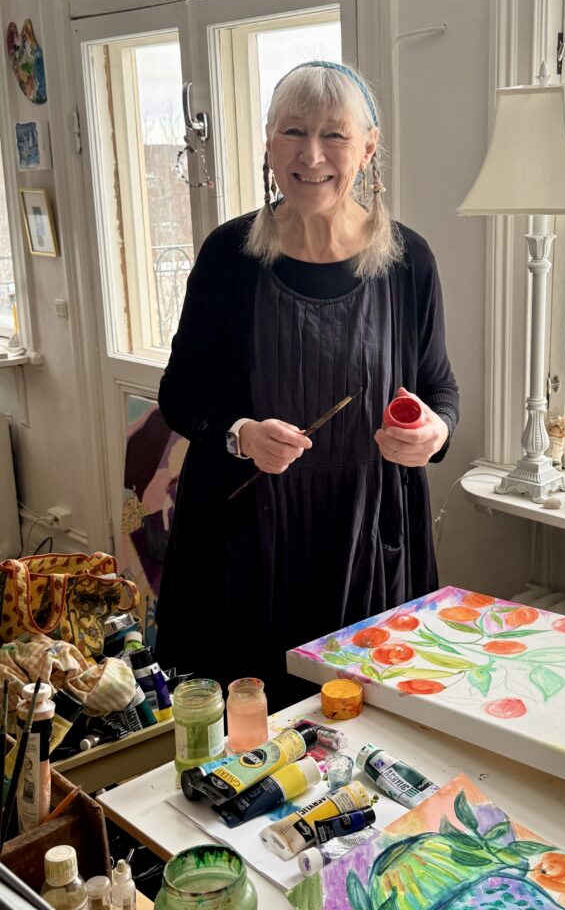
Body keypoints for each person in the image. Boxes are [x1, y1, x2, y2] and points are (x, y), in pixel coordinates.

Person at [155, 61, 459, 709]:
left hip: (367, 545)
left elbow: (439, 391)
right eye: (293, 131)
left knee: (367, 719)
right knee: (249, 731)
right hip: (249, 546)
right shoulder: (229, 256)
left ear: (368, 148)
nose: (311, 155)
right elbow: (180, 392)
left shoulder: (409, 262)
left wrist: (433, 433)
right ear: (269, 144)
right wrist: (241, 435)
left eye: (334, 135)